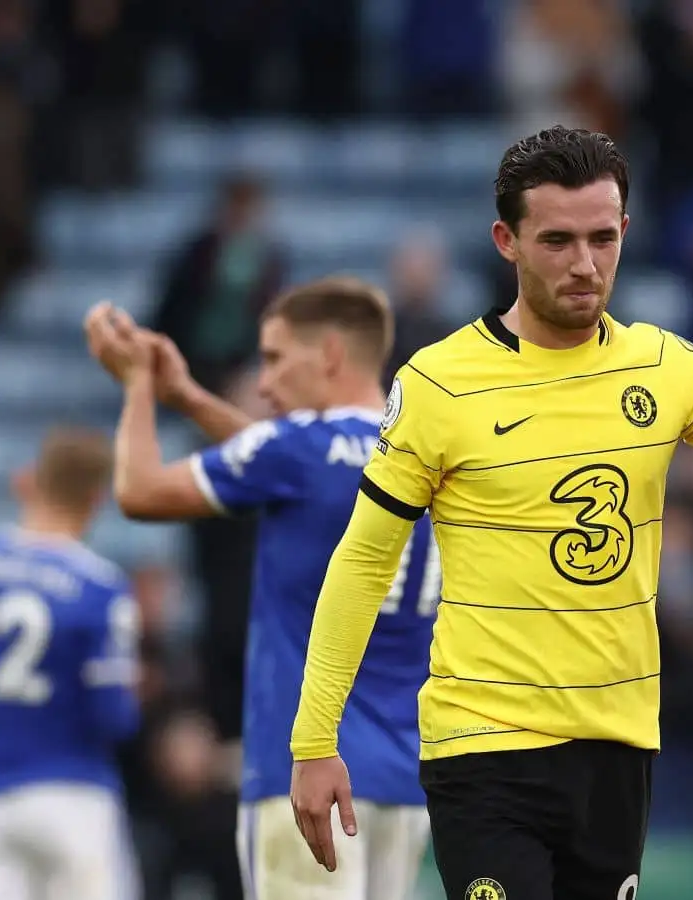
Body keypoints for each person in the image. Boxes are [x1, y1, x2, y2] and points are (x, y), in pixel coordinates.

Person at [286, 124, 693, 900]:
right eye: (557, 241)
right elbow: (364, 560)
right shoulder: (439, 383)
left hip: (618, 746)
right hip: (485, 747)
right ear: (507, 240)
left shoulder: (665, 368)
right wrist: (314, 739)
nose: (585, 264)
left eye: (602, 237)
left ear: (626, 229)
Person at [83, 278, 437, 900]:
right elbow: (276, 460)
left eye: (275, 358)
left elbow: (140, 491)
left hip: (305, 773)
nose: (266, 384)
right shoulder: (427, 459)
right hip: (402, 781)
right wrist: (189, 396)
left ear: (329, 354)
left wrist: (138, 384)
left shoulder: (294, 451)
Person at [0, 428, 142, 900]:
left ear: (28, 481)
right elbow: (114, 717)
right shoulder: (100, 587)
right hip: (71, 798)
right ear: (97, 499)